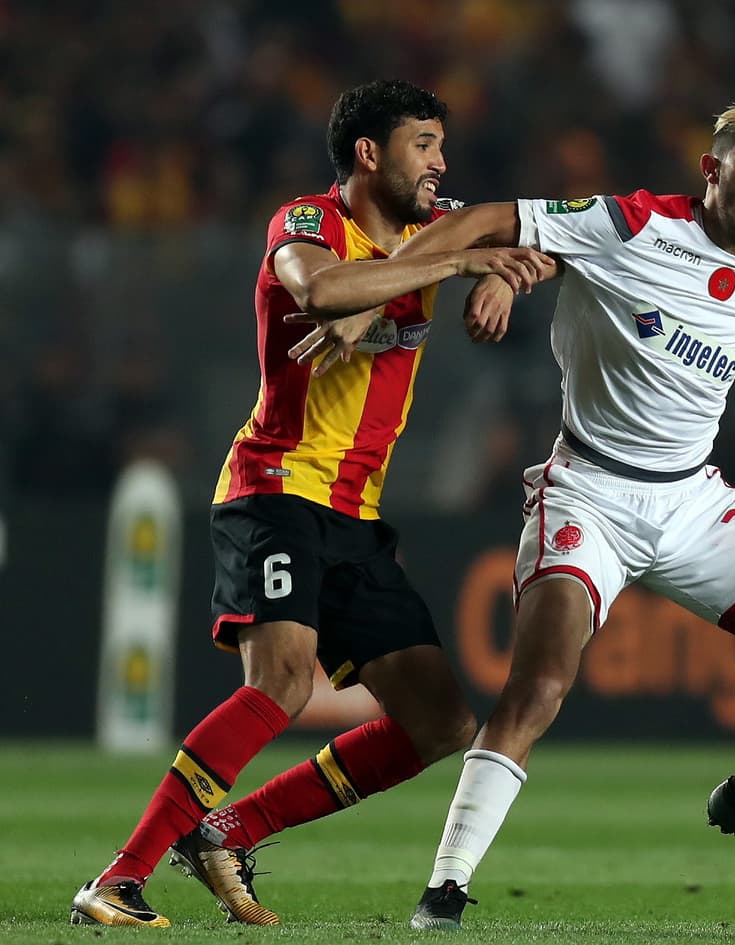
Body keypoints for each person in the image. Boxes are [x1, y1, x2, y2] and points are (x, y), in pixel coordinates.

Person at [300, 99, 735, 931]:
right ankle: (446, 890)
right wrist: (393, 292)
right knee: (538, 685)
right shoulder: (627, 225)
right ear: (713, 167)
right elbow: (487, 219)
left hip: (693, 501)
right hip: (589, 493)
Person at [69, 78, 555, 928]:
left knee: (439, 720)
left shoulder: (437, 224)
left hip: (355, 515)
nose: (442, 162)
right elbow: (322, 291)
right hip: (275, 487)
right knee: (284, 681)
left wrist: (508, 276)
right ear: (370, 154)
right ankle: (118, 874)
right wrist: (458, 259)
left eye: (442, 146)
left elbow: (556, 240)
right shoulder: (305, 223)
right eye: (423, 146)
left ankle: (231, 829)